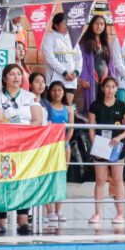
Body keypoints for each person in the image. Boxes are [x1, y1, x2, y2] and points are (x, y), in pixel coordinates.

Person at [0, 63, 44, 235]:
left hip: (24, 145)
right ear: (5, 78)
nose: (16, 77)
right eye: (12, 74)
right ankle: (0, 220)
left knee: (23, 182)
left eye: (19, 74)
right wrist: (19, 127)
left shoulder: (29, 97)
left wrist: (21, 132)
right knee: (2, 181)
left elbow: (37, 119)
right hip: (4, 144)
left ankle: (22, 220)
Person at [88, 77, 125, 225]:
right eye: (107, 87)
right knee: (100, 180)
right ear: (102, 88)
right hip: (100, 147)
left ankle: (120, 214)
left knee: (118, 180)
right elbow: (91, 128)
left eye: (113, 87)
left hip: (116, 149)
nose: (110, 90)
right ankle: (97, 214)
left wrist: (119, 137)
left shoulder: (122, 106)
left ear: (116, 89)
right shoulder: (95, 106)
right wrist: (95, 144)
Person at [44, 81, 74, 222]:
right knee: (48, 177)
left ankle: (58, 210)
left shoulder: (68, 109)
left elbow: (71, 128)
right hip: (49, 146)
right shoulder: (47, 106)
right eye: (54, 90)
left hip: (64, 146)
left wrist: (65, 141)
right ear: (50, 92)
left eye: (60, 90)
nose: (57, 93)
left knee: (61, 178)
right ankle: (49, 210)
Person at [42, 13, 81, 105]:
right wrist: (64, 72)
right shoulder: (49, 38)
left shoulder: (72, 39)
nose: (67, 26)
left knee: (67, 109)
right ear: (56, 25)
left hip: (70, 81)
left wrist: (76, 72)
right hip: (56, 80)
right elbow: (50, 58)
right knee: (54, 108)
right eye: (64, 23)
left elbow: (79, 58)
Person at [79, 15, 115, 112]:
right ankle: (91, 125)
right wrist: (83, 78)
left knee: (105, 103)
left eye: (102, 24)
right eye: (96, 24)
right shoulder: (85, 42)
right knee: (92, 104)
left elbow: (110, 63)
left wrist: (113, 78)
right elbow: (81, 62)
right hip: (91, 78)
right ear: (91, 25)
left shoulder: (105, 42)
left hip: (105, 77)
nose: (99, 26)